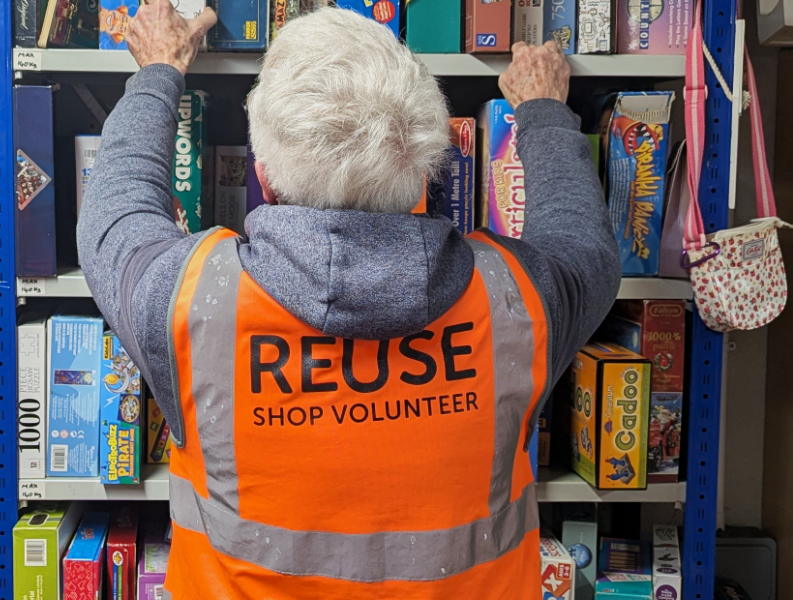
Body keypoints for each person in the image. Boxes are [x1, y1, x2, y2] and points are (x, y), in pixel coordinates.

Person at [78, 1, 620, 597]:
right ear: (421, 174)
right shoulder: (519, 301)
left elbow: (113, 217)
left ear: (264, 178)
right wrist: (542, 112)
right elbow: (584, 247)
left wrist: (160, 69)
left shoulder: (187, 302)